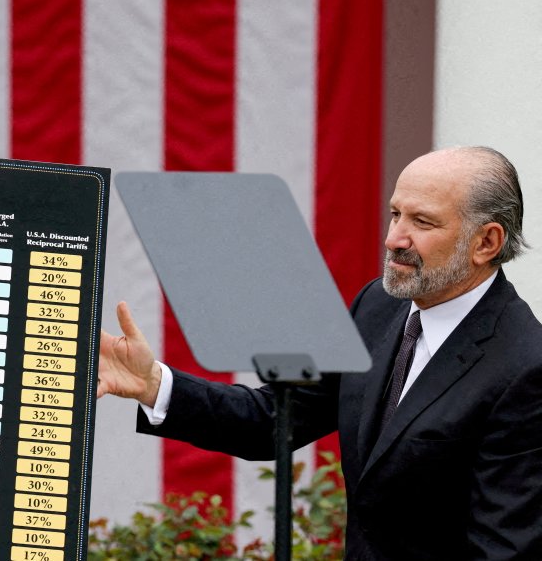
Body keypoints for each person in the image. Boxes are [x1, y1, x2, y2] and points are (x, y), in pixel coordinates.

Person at [98, 146, 542, 560]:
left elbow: (502, 549)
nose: (394, 239)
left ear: (487, 242)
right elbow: (276, 419)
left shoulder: (526, 367)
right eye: (395, 214)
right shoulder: (378, 307)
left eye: (422, 223)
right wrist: (153, 384)